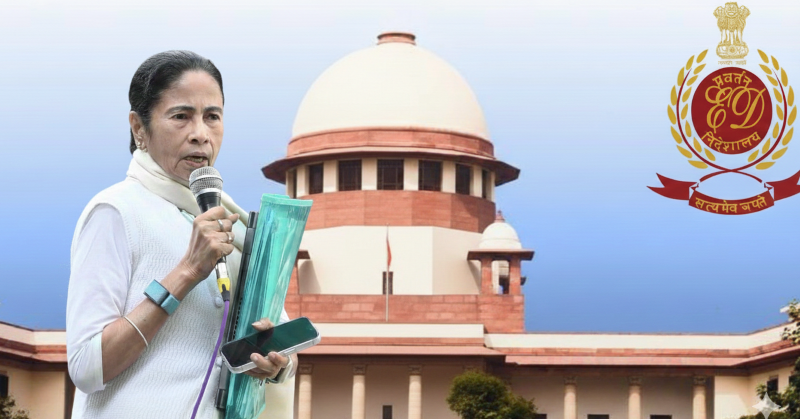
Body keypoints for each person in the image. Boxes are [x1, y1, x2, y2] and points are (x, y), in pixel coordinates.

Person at [66, 50, 297, 418]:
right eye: (181, 116)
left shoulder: (235, 226)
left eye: (212, 117)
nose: (200, 135)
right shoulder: (116, 211)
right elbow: (86, 366)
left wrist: (275, 364)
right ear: (138, 127)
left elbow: (281, 344)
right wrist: (187, 272)